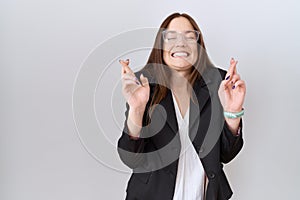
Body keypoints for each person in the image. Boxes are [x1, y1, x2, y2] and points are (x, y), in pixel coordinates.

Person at [117, 12, 246, 200]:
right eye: (171, 37)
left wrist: (232, 113)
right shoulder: (143, 84)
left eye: (189, 36)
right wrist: (137, 108)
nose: (181, 43)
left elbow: (226, 154)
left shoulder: (218, 82)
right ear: (160, 47)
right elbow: (131, 159)